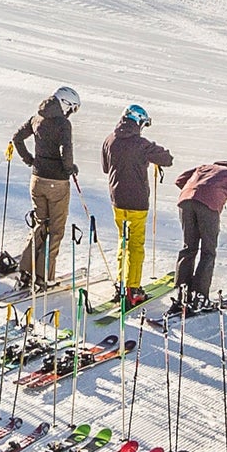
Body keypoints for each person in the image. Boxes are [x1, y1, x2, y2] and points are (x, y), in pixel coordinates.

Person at [10, 86, 81, 292]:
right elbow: (66, 150)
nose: (70, 114)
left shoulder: (36, 118)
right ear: (65, 104)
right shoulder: (63, 124)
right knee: (56, 230)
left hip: (37, 179)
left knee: (40, 225)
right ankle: (44, 278)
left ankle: (25, 272)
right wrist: (69, 169)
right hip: (56, 182)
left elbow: (17, 138)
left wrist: (30, 160)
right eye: (72, 109)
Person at [100, 104, 171, 304]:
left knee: (123, 241)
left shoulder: (109, 140)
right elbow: (167, 159)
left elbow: (106, 168)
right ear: (138, 122)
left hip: (117, 200)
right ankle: (133, 289)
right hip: (137, 201)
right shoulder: (141, 144)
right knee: (136, 245)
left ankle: (121, 283)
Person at [167, 157, 227, 314]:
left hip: (185, 201)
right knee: (208, 251)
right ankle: (200, 296)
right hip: (208, 205)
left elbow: (180, 180)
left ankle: (182, 293)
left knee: (189, 247)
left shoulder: (203, 167)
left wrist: (195, 190)